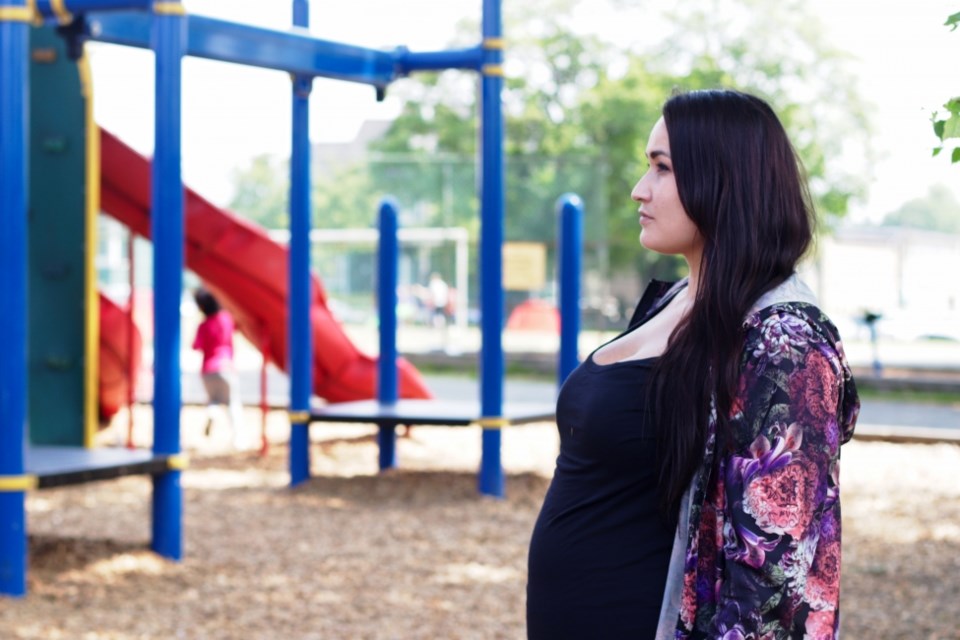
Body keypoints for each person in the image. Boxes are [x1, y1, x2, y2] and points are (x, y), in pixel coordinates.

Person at [526, 89, 860, 639]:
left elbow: (775, 581)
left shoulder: (785, 342)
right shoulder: (676, 299)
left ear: (723, 180)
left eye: (662, 168)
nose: (640, 189)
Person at [192, 286, 245, 449]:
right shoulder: (226, 318)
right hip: (225, 367)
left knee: (213, 400)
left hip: (207, 370)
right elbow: (239, 327)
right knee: (232, 403)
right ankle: (238, 439)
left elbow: (196, 346)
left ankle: (212, 413)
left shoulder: (204, 325)